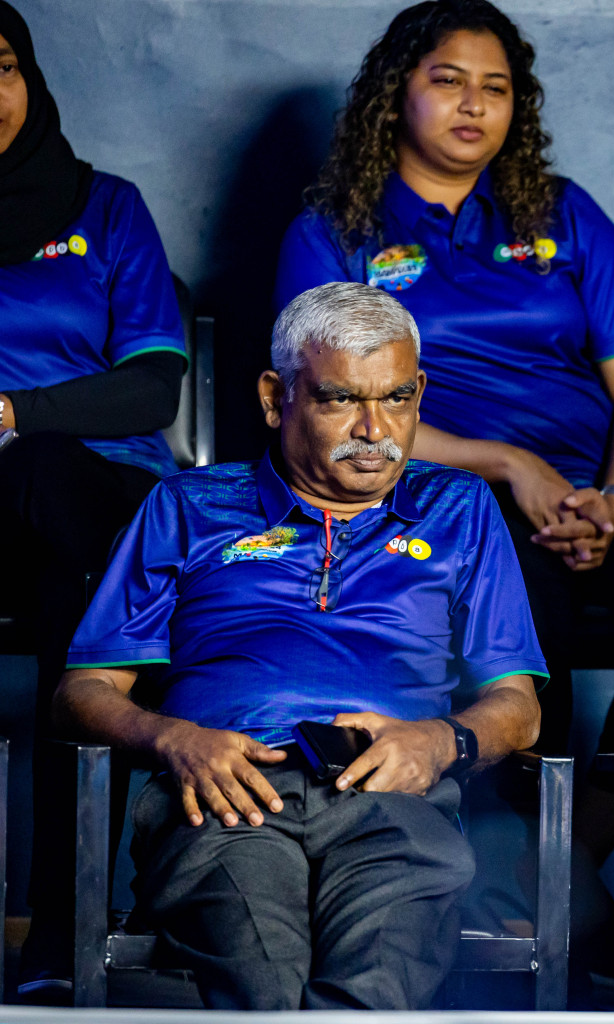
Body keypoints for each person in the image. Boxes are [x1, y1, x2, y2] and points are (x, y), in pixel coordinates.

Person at [274, 1, 614, 972]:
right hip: (425, 492)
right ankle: (543, 891)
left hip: (592, 500)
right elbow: (328, 409)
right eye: (448, 79)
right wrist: (506, 466)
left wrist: (612, 500)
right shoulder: (334, 229)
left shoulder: (561, 212)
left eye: (496, 88)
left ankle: (554, 856)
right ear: (395, 91)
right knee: (491, 557)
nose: (473, 105)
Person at [53, 282, 546, 1010]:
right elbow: (83, 693)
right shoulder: (188, 506)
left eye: (399, 398)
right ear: (273, 396)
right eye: (341, 399)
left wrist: (437, 743)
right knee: (262, 986)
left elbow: (518, 706)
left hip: (392, 799)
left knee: (375, 986)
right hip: (224, 797)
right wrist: (175, 740)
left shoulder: (461, 508)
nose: (376, 429)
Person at [0, 0, 188, 996]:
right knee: (90, 582)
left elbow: (153, 384)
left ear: (29, 78)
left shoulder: (105, 207)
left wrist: (13, 411)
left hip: (96, 492)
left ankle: (59, 929)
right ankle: (68, 930)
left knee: (66, 516)